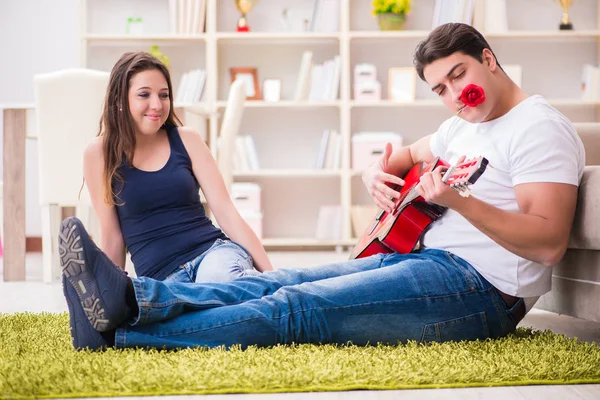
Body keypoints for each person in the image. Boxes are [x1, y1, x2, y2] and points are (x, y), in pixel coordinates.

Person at [61, 23, 585, 350]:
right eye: (440, 89)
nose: (454, 96)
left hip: (482, 291)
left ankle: (120, 332)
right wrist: (376, 174)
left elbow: (546, 242)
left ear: (489, 59)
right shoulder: (463, 124)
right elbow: (408, 155)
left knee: (294, 310)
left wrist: (458, 201)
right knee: (272, 284)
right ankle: (129, 295)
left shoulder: (538, 128)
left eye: (459, 76)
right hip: (424, 258)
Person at [81, 51, 272, 287]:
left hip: (213, 256)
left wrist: (272, 276)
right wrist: (109, 294)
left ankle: (273, 292)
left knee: (216, 282)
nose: (157, 105)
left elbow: (227, 213)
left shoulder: (187, 139)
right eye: (144, 95)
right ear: (120, 100)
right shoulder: (99, 154)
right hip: (163, 280)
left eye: (164, 95)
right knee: (199, 315)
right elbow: (113, 236)